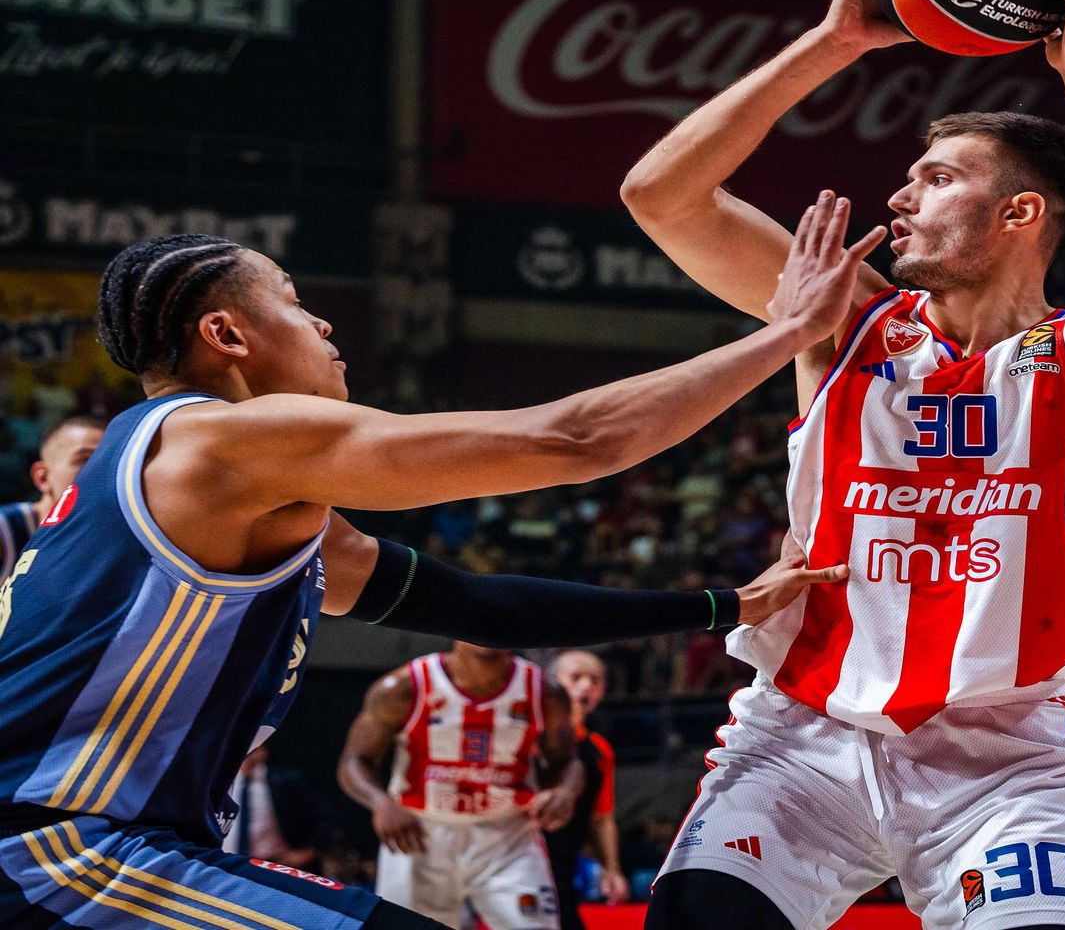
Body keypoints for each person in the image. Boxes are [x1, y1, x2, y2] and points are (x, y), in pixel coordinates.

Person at [0, 212, 874, 928]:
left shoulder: (219, 489)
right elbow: (575, 439)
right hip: (59, 852)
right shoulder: (218, 442)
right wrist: (793, 332)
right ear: (226, 335)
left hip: (102, 849)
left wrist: (723, 605)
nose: (324, 325)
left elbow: (483, 608)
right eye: (295, 304)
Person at [623, 0, 1065, 930]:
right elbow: (660, 195)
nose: (901, 195)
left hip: (1002, 756)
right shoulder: (840, 317)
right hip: (803, 739)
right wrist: (832, 42)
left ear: (1020, 215)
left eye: (939, 178)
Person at [338, 643, 580, 928]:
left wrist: (564, 791)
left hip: (508, 834)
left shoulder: (543, 690)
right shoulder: (404, 686)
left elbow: (568, 761)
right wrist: (380, 803)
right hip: (421, 831)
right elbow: (354, 761)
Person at [546, 650, 627, 927]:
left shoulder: (599, 750)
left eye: (595, 680)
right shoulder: (530, 734)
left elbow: (601, 818)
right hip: (524, 861)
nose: (586, 686)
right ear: (553, 683)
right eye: (576, 677)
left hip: (565, 868)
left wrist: (612, 869)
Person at [0, 415, 105, 577]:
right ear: (43, 477)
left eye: (108, 462)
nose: (100, 471)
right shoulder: (6, 529)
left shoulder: (111, 535)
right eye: (85, 460)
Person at [223, 743, 320, 871]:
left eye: (253, 750)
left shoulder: (285, 781)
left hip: (276, 862)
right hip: (229, 862)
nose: (247, 755)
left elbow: (322, 815)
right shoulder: (218, 782)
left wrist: (310, 850)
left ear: (264, 752)